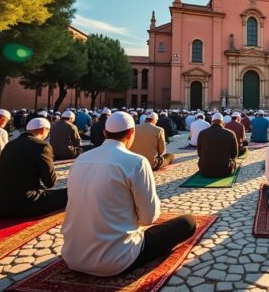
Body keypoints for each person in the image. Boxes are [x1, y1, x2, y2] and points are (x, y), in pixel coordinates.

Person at [61, 111, 196, 277]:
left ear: (105, 133)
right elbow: (149, 218)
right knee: (188, 222)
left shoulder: (80, 159)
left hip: (72, 256)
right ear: (132, 133)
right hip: (116, 259)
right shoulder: (136, 162)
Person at [0, 117, 67, 218]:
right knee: (68, 193)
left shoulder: (10, 145)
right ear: (43, 130)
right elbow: (50, 182)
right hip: (24, 204)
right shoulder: (42, 146)